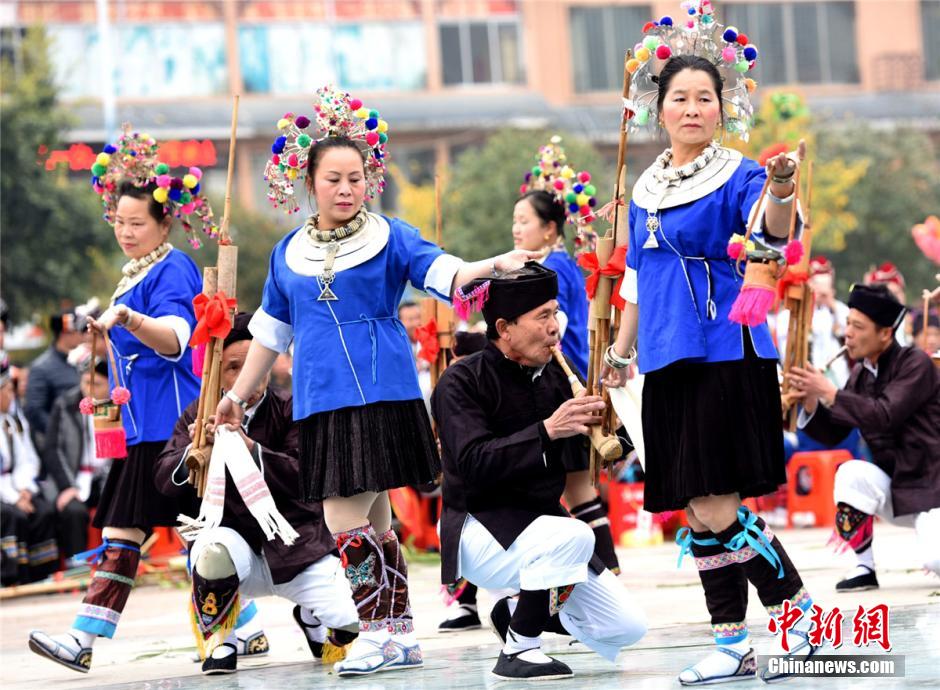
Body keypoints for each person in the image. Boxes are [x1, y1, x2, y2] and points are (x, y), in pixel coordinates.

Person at [214, 87, 538, 677]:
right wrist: (237, 397)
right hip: (322, 399)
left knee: (343, 517)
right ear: (308, 182)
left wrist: (495, 263)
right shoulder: (287, 254)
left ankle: (374, 629)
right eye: (334, 179)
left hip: (383, 393)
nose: (346, 189)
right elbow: (269, 335)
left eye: (357, 178)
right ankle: (397, 633)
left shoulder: (392, 237)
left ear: (370, 180)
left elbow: (449, 274)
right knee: (379, 519)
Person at [605, 10, 820, 683]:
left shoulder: (738, 175)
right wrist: (619, 350)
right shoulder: (645, 188)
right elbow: (637, 278)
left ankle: (797, 612)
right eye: (680, 98)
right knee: (696, 509)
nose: (693, 108)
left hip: (728, 347)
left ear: (723, 108)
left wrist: (782, 185)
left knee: (718, 503)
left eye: (706, 98)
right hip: (665, 355)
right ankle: (731, 642)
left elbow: (776, 233)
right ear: (658, 109)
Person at [29, 129, 212, 674]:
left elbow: (178, 337)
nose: (126, 232)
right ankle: (244, 628)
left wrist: (130, 320)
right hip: (145, 423)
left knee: (141, 534)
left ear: (163, 224)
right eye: (120, 222)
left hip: (170, 425)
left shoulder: (171, 268)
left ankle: (83, 639)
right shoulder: (134, 272)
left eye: (138, 224)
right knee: (195, 535)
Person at [432, 264, 647, 680]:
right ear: (504, 327)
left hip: (543, 535)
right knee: (576, 535)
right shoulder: (461, 381)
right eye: (542, 316)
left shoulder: (554, 380)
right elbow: (473, 462)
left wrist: (617, 428)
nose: (555, 327)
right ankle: (519, 649)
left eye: (555, 313)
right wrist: (548, 430)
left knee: (626, 627)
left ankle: (513, 611)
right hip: (479, 529)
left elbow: (579, 459)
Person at [155, 313, 359, 675]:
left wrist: (249, 448)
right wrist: (194, 454)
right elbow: (162, 478)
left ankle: (313, 619)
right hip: (235, 544)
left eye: (252, 363)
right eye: (233, 367)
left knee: (350, 622)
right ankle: (221, 639)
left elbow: (307, 475)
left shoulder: (293, 408)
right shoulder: (197, 415)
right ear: (218, 372)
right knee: (212, 552)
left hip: (297, 546)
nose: (244, 375)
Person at [514, 137, 621, 574]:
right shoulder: (557, 265)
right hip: (566, 376)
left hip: (560, 378)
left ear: (551, 230)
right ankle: (604, 572)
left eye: (525, 221)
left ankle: (593, 574)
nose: (517, 229)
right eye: (515, 221)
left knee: (571, 486)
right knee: (577, 486)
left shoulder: (549, 269)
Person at [788, 284, 940, 591]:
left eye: (858, 327)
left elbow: (884, 414)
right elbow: (834, 432)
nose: (848, 334)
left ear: (885, 333)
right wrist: (810, 401)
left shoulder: (915, 364)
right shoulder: (861, 374)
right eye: (848, 324)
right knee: (850, 472)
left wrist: (830, 392)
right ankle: (863, 566)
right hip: (899, 489)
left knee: (935, 561)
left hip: (933, 491)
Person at [43, 355, 113, 562]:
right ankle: (77, 563)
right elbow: (52, 449)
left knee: (119, 504)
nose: (89, 389)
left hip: (104, 477)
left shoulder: (115, 405)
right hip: (73, 477)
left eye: (97, 384)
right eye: (85, 382)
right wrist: (66, 486)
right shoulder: (65, 404)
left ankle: (117, 559)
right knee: (73, 511)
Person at [1, 358, 60, 585]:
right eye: (6, 391)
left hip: (15, 486)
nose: (11, 395)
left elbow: (28, 461)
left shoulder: (14, 423)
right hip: (4, 492)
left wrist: (24, 490)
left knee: (43, 511)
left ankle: (42, 574)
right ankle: (12, 576)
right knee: (12, 516)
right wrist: (15, 498)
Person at [23, 309, 86, 450]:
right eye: (77, 330)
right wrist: (61, 434)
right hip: (60, 447)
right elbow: (34, 410)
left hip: (83, 442)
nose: (81, 334)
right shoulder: (41, 368)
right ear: (65, 333)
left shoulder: (81, 361)